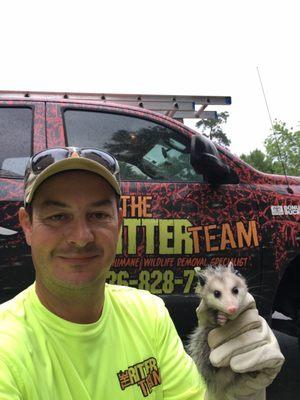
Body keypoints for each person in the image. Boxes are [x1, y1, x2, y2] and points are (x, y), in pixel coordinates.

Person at [0, 147, 284, 400]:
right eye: (57, 216)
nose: (80, 237)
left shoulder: (148, 314)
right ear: (27, 225)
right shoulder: (6, 348)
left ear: (119, 223)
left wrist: (238, 393)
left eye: (98, 215)